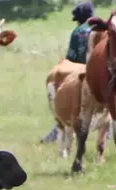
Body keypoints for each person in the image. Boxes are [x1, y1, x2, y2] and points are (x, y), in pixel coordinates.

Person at [40, 1, 99, 144]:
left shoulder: (78, 32)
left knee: (67, 108)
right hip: (99, 74)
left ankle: (54, 135)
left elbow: (71, 58)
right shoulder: (102, 30)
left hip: (79, 75)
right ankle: (106, 134)